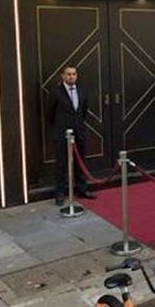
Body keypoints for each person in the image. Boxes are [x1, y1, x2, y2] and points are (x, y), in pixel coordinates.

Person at [45, 65, 94, 205]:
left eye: (73, 74)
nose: (71, 76)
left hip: (79, 132)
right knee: (61, 164)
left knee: (80, 162)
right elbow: (49, 114)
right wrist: (60, 127)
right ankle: (60, 193)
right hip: (62, 134)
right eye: (68, 74)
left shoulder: (81, 90)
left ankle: (82, 189)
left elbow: (83, 111)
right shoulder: (56, 93)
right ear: (63, 76)